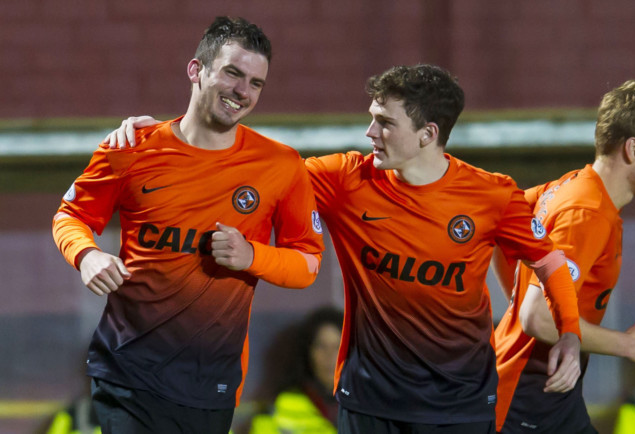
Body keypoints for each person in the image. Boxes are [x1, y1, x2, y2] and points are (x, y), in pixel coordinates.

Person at [104, 63, 583, 434]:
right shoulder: (345, 179)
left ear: (428, 134)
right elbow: (258, 167)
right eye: (371, 119)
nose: (369, 132)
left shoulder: (493, 195)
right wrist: (177, 133)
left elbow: (549, 262)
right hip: (366, 402)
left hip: (457, 406)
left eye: (384, 123)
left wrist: (569, 333)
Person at [51, 16, 324, 433]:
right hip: (127, 370)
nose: (242, 91)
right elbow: (71, 215)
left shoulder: (282, 166)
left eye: (255, 83)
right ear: (196, 70)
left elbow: (307, 264)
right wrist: (85, 254)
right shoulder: (131, 147)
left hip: (210, 378)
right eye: (232, 73)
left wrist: (252, 255)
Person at [492, 80, 635, 433]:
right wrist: (626, 344)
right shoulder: (588, 212)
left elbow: (500, 224)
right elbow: (538, 318)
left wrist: (520, 294)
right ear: (633, 149)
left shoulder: (566, 188)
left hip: (545, 389)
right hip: (526, 394)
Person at [245, 306, 343, 434]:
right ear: (307, 352)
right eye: (321, 346)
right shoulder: (280, 409)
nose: (329, 356)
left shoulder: (368, 406)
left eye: (337, 346)